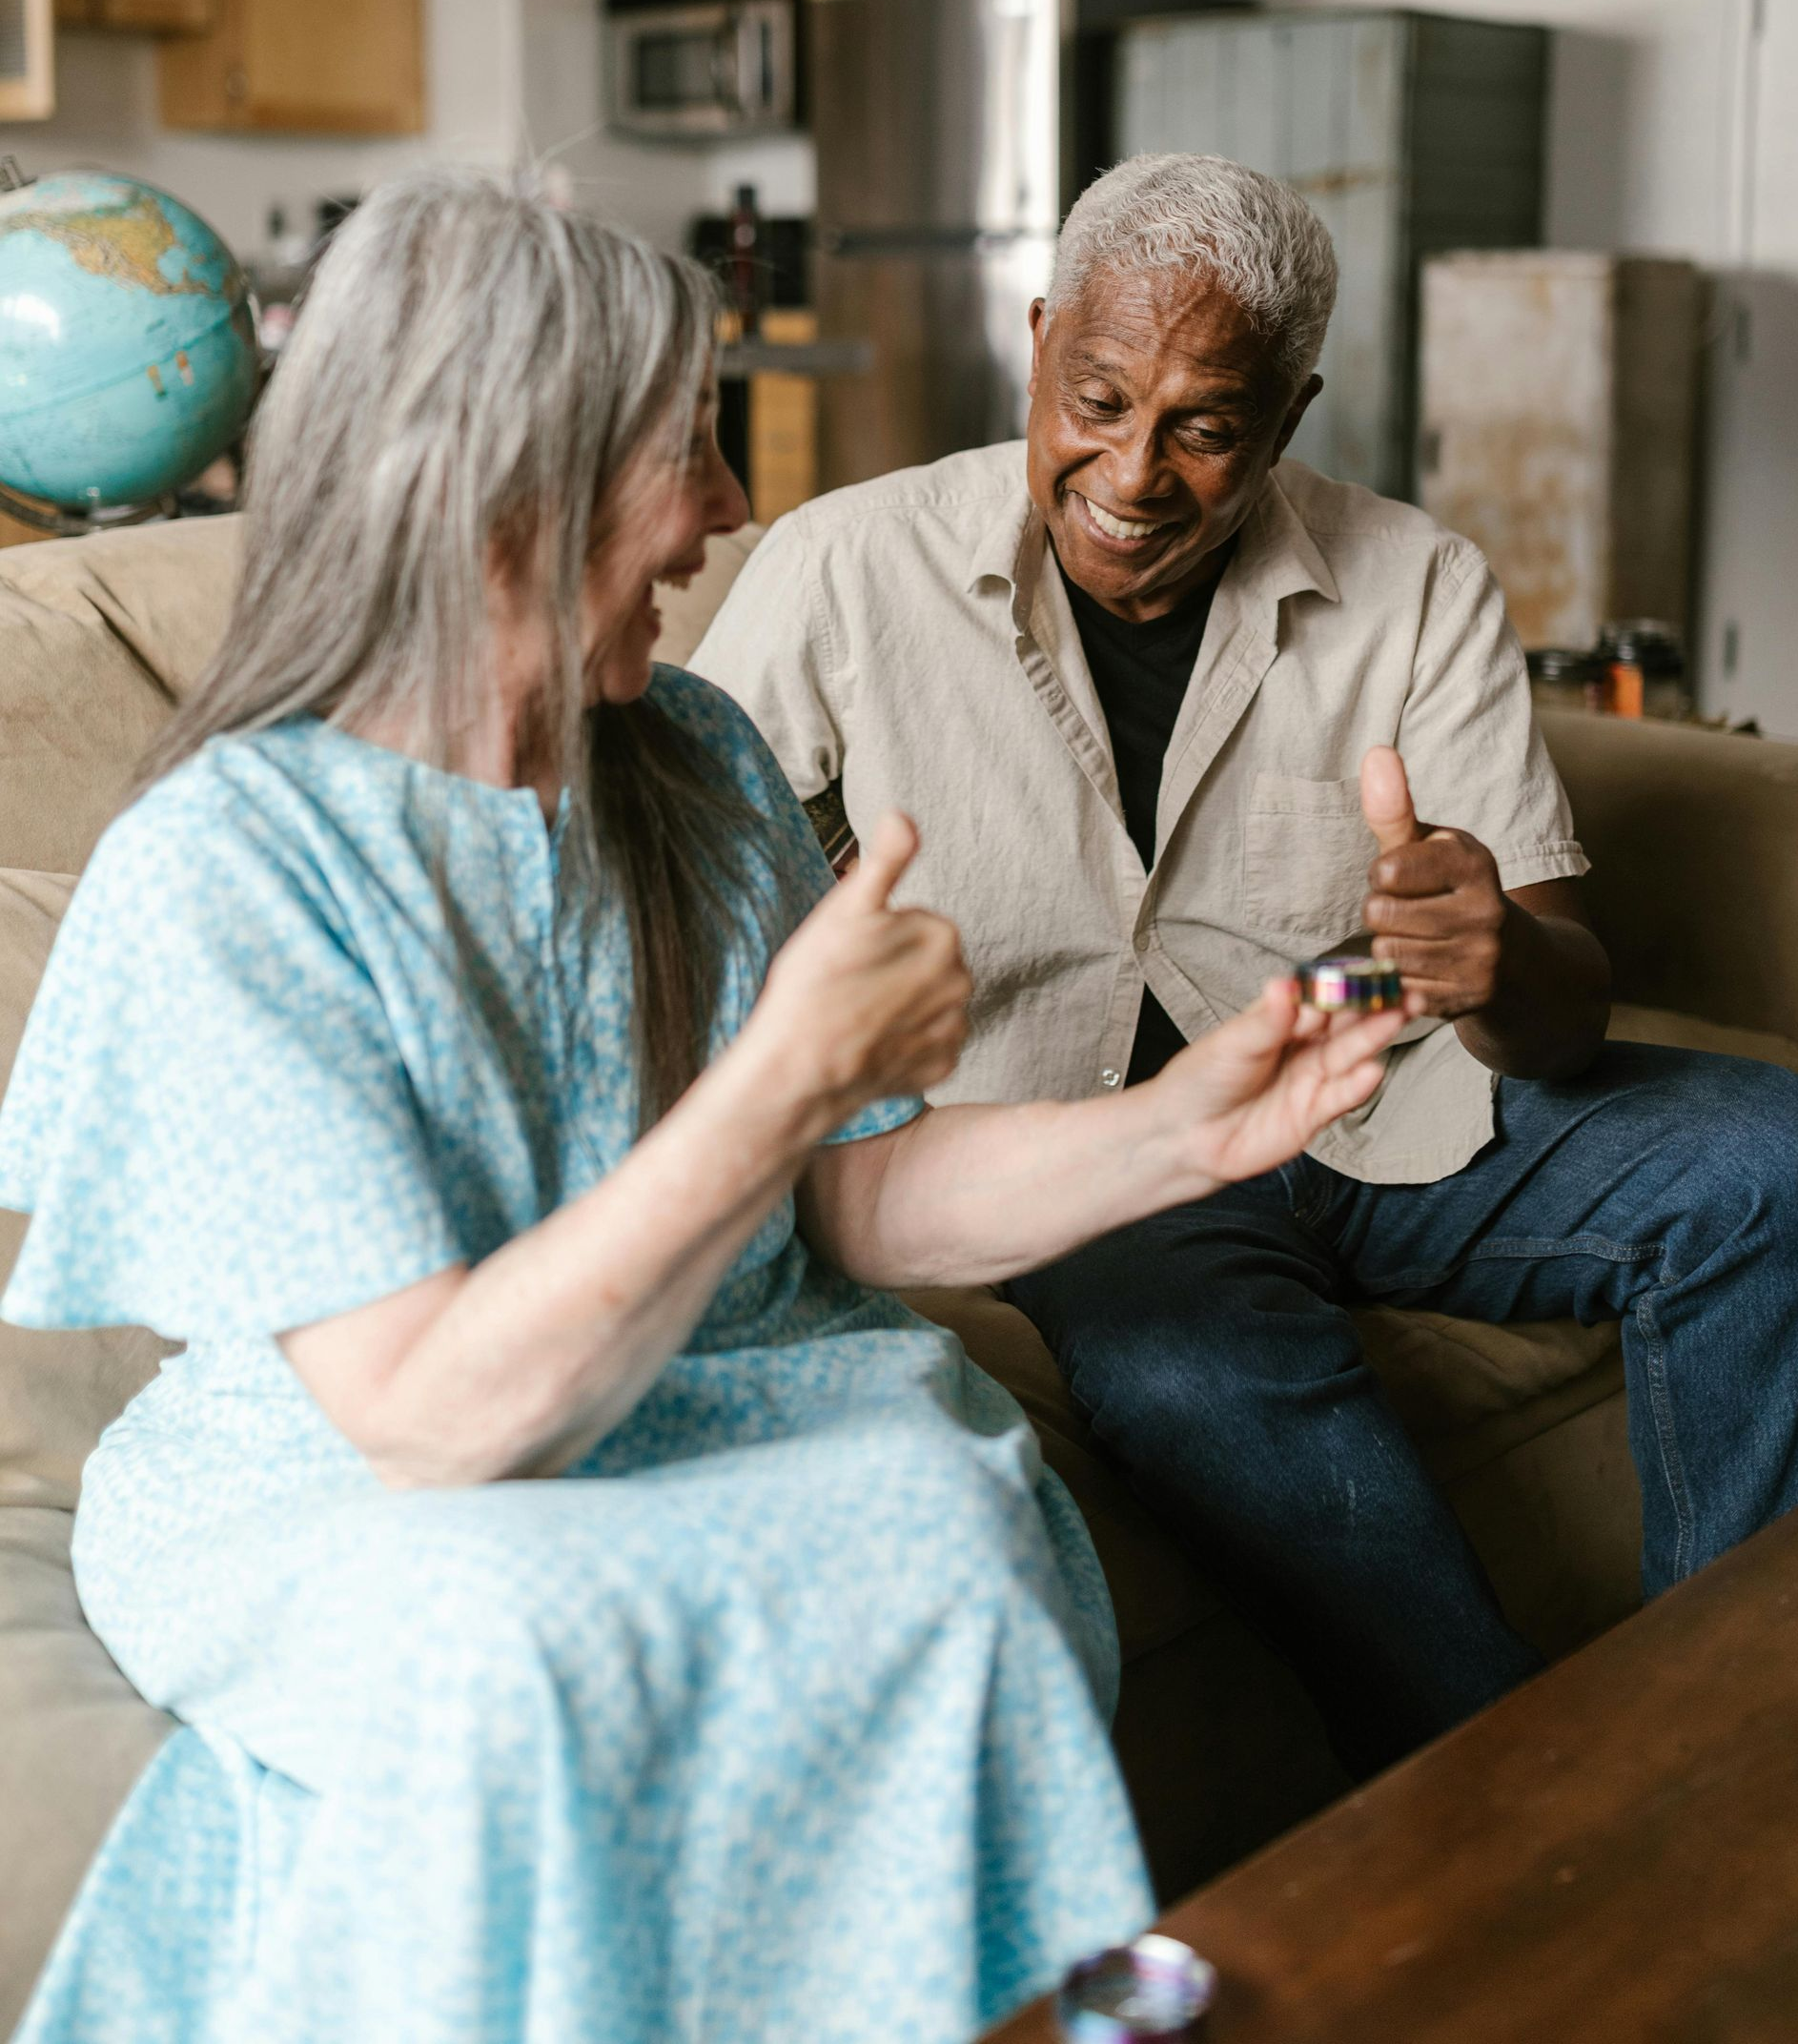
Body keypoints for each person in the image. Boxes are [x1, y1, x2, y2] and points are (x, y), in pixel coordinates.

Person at [0, 171, 1409, 2044]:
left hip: (706, 1379)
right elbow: (427, 1420)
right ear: (507, 482)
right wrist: (783, 1077)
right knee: (528, 1642)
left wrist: (1195, 1130)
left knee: (940, 1524)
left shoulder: (690, 759)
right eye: (687, 450)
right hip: (363, 1474)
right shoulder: (239, 863)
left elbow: (853, 1207)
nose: (731, 509)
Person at [695, 152, 1798, 1778]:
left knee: (1768, 1163)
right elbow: (665, 866)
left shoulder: (1413, 583)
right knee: (1191, 1373)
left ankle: (1722, 1759)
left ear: (1288, 418)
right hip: (1088, 1160)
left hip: (1375, 1090)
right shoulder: (845, 568)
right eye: (1096, 397)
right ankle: (1502, 1802)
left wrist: (1493, 957)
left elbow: (1562, 997)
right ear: (1035, 340)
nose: (1130, 473)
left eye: (1204, 426)